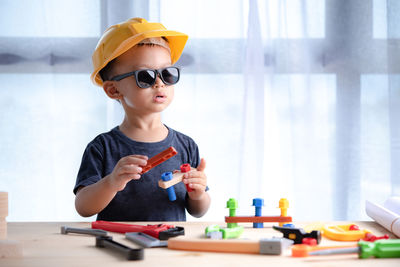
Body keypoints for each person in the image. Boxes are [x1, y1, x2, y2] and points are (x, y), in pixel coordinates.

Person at [74, 18, 210, 221]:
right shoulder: (102, 147)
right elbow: (83, 207)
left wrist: (198, 193)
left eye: (167, 73)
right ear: (114, 89)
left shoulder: (186, 145)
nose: (159, 83)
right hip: (118, 247)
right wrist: (111, 182)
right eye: (145, 76)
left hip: (170, 248)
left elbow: (198, 211)